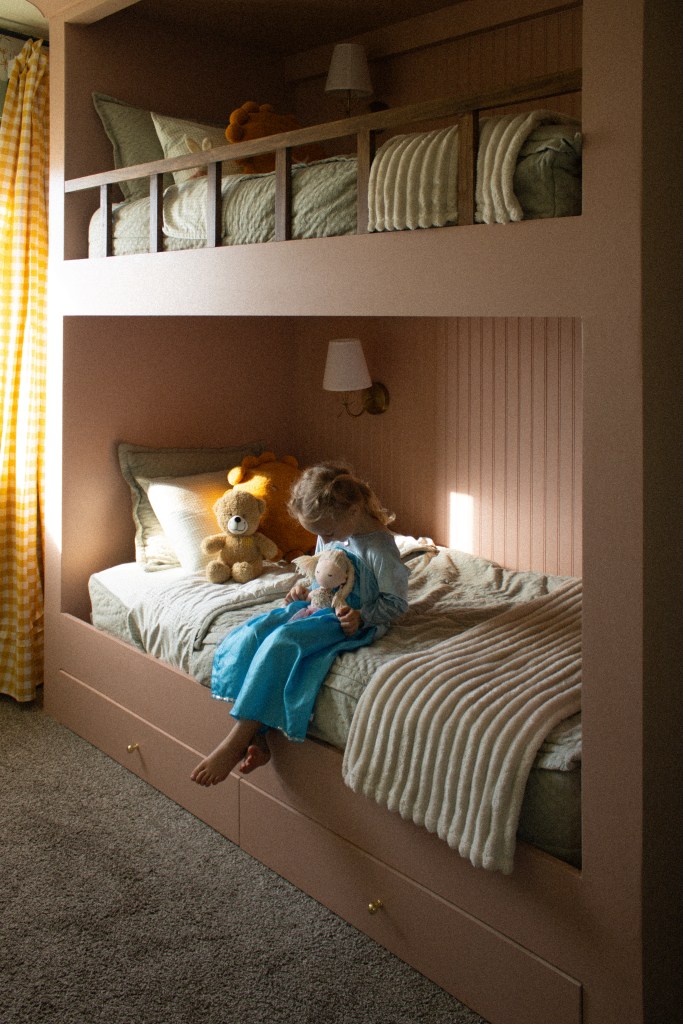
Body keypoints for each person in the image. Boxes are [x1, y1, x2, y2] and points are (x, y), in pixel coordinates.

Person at [191, 462, 409, 786]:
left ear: (352, 511)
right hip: (318, 605)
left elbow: (397, 604)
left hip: (349, 618)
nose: (322, 540)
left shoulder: (379, 548)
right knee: (255, 632)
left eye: (327, 533)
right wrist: (304, 589)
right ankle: (260, 739)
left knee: (283, 644)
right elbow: (321, 575)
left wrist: (362, 616)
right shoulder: (332, 532)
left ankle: (236, 741)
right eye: (318, 533)